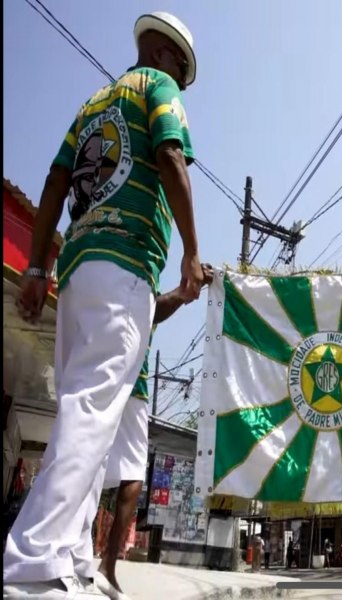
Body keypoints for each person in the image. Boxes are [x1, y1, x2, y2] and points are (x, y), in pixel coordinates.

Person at [4, 11, 203, 599]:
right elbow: (170, 156)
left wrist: (38, 268)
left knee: (84, 412)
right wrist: (192, 250)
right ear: (171, 58)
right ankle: (32, 562)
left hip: (77, 265)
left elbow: (55, 182)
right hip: (124, 264)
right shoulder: (158, 88)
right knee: (92, 412)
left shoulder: (94, 103)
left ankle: (71, 558)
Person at [89, 266, 213, 599]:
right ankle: (98, 562)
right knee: (101, 467)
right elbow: (156, 306)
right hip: (118, 381)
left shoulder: (103, 285)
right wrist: (185, 290)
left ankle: (104, 563)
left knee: (116, 470)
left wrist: (186, 291)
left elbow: (157, 307)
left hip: (121, 382)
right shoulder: (128, 289)